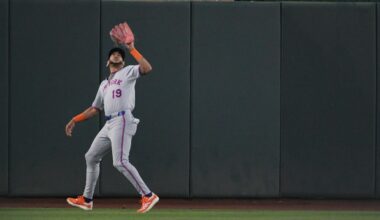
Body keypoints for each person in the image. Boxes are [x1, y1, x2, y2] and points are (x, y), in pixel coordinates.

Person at [64, 42, 159, 213]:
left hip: (122, 119)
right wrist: (75, 119)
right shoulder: (103, 84)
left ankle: (147, 195)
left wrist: (131, 49)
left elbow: (147, 68)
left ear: (122, 62)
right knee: (91, 157)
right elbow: (95, 109)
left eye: (119, 54)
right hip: (109, 124)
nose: (116, 55)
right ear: (108, 61)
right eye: (113, 54)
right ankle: (87, 200)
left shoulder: (127, 71)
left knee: (120, 161)